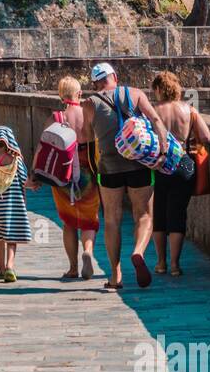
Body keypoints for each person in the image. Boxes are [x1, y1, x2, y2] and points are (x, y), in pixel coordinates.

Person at [83, 61, 167, 289]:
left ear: (95, 83)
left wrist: (93, 171)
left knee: (112, 219)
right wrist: (163, 151)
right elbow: (156, 121)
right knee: (144, 215)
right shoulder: (135, 94)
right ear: (115, 77)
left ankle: (114, 275)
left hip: (109, 168)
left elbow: (87, 141)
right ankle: (138, 252)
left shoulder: (90, 103)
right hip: (139, 164)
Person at [149, 71, 210, 277]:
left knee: (158, 214)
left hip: (158, 165)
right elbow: (206, 136)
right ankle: (175, 265)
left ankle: (160, 263)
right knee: (177, 214)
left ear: (158, 89)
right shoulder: (189, 110)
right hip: (183, 165)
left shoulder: (153, 111)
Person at [51, 75, 99, 280]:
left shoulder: (56, 117)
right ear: (79, 94)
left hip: (64, 173)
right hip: (88, 171)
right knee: (89, 219)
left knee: (69, 221)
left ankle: (72, 267)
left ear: (61, 95)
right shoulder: (88, 116)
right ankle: (87, 250)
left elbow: (43, 148)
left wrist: (34, 175)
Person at [0, 125, 36, 283]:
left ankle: (1, 269)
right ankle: (10, 266)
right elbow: (25, 182)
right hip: (12, 207)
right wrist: (35, 185)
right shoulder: (16, 161)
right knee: (12, 236)